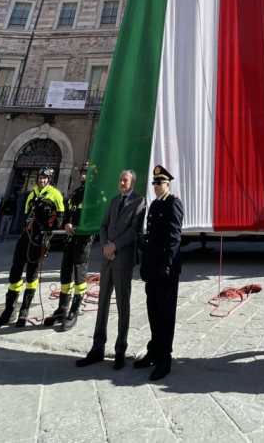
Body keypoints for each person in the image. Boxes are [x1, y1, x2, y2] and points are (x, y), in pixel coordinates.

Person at [76, 169, 146, 369]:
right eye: (120, 180)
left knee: (123, 305)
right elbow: (104, 225)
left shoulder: (139, 202)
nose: (121, 183)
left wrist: (115, 246)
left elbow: (134, 230)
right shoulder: (114, 201)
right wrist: (106, 244)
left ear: (132, 183)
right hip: (107, 259)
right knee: (102, 304)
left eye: (124, 180)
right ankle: (97, 348)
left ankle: (120, 350)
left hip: (123, 259)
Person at [0, 167, 65, 328]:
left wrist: (48, 229)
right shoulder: (32, 194)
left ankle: (24, 312)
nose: (42, 180)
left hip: (39, 239)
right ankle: (8, 311)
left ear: (49, 180)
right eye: (40, 177)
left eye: (45, 178)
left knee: (32, 274)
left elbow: (60, 217)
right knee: (15, 271)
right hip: (26, 236)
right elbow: (26, 214)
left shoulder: (56, 195)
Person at [134, 165, 183, 381]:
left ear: (168, 184)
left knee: (165, 313)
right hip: (152, 266)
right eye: (154, 183)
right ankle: (154, 350)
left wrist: (167, 264)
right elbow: (151, 236)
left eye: (160, 183)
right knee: (153, 309)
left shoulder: (173, 203)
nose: (156, 186)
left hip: (166, 268)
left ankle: (165, 358)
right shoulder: (154, 205)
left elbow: (174, 237)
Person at [45, 162, 94, 331]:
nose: (83, 174)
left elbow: (96, 218)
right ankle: (62, 307)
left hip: (83, 238)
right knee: (65, 270)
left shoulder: (94, 193)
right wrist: (66, 224)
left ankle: (75, 309)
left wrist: (79, 228)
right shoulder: (75, 193)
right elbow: (67, 212)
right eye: (82, 171)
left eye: (86, 172)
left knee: (79, 272)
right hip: (70, 238)